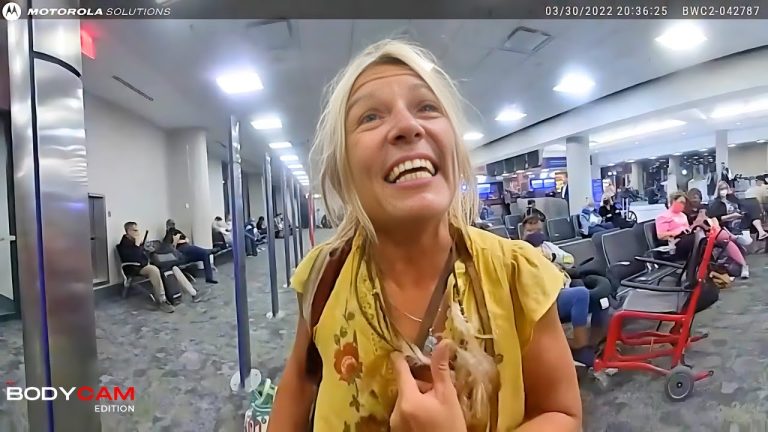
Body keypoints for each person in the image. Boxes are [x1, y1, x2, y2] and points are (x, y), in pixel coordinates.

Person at [268, 40, 581, 432]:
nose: (406, 126)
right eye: (369, 116)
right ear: (343, 171)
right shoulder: (323, 274)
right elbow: (299, 383)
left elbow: (562, 414)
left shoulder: (517, 274)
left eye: (427, 107)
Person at [520, 216, 605, 367]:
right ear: (522, 233)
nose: (535, 234)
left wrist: (553, 257)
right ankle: (579, 344)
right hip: (544, 297)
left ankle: (596, 343)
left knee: (602, 300)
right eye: (530, 231)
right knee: (580, 294)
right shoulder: (518, 250)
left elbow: (570, 260)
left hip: (563, 288)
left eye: (538, 230)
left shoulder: (548, 246)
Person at [657, 191, 750, 278]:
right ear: (673, 201)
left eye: (684, 203)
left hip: (688, 237)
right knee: (705, 240)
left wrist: (690, 229)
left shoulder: (682, 215)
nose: (682, 205)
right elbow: (661, 235)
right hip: (677, 242)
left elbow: (688, 228)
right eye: (680, 202)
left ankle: (734, 263)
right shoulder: (663, 217)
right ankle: (730, 238)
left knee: (712, 240)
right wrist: (678, 232)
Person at [117, 222, 204, 311]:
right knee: (153, 269)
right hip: (134, 268)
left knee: (173, 267)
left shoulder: (136, 242)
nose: (138, 232)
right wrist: (137, 246)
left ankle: (193, 293)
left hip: (144, 264)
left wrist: (144, 248)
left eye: (137, 230)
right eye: (135, 230)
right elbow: (134, 259)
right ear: (128, 231)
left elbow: (143, 256)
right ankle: (162, 301)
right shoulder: (123, 244)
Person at [163, 219, 218, 284]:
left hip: (186, 249)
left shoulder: (177, 231)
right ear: (167, 226)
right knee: (202, 251)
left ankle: (209, 278)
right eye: (171, 224)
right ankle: (208, 251)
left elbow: (186, 239)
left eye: (173, 224)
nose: (173, 226)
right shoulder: (169, 233)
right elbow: (170, 246)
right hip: (182, 249)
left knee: (205, 255)